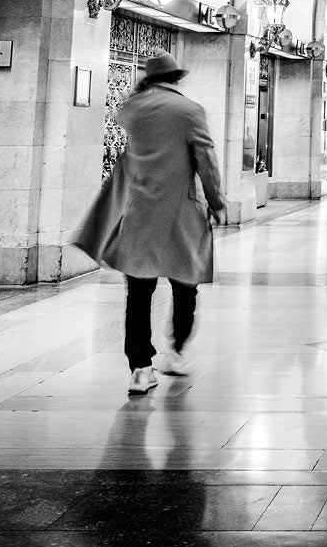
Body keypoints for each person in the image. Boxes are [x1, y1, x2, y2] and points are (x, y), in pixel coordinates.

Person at [69, 52, 227, 395]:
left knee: (138, 295)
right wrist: (217, 203)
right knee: (186, 286)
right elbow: (206, 161)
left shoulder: (132, 108)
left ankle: (140, 368)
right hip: (180, 215)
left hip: (139, 213)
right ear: (175, 78)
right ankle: (176, 351)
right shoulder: (190, 111)